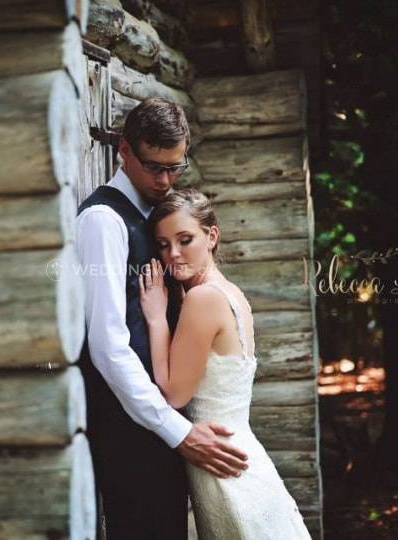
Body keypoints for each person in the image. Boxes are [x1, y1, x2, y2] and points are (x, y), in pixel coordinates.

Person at [75, 98, 249, 539]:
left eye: (175, 167)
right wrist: (177, 431)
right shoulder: (102, 221)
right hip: (129, 428)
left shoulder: (160, 216)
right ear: (124, 150)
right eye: (154, 167)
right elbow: (108, 345)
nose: (165, 179)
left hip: (166, 423)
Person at [139, 188, 313, 539]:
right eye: (162, 245)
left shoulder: (203, 298)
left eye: (185, 239)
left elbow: (174, 394)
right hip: (238, 455)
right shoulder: (232, 294)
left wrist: (157, 320)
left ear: (212, 236)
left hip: (223, 466)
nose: (173, 254)